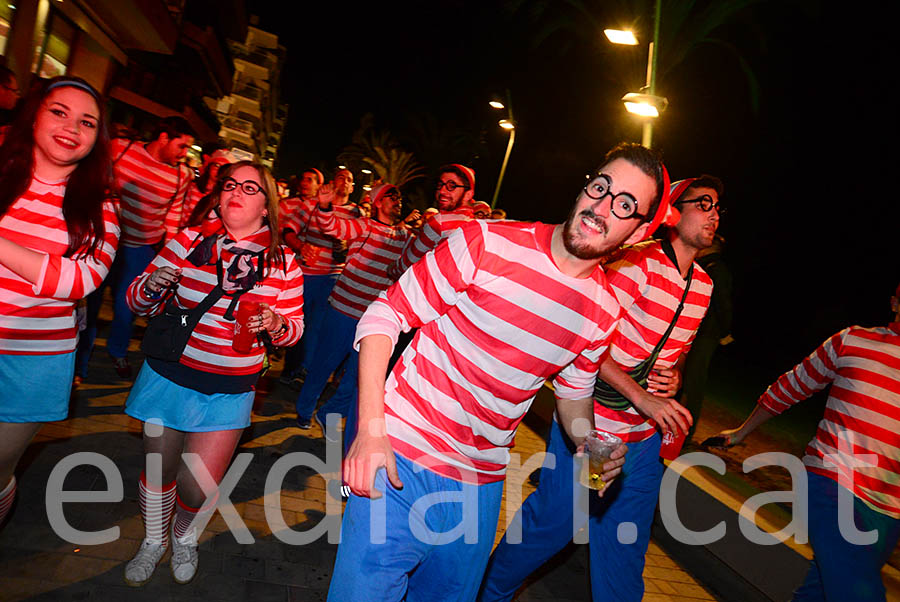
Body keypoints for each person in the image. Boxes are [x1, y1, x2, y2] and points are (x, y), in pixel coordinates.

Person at [329, 143, 688, 602]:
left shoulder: (602, 311)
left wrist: (591, 444)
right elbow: (384, 317)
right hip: (401, 455)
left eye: (624, 205)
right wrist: (371, 430)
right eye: (600, 187)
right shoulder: (486, 242)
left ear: (638, 233)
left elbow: (573, 397)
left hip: (479, 482)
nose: (601, 207)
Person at [479, 176, 722, 602]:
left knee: (626, 543)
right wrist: (642, 396)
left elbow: (676, 352)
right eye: (703, 203)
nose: (714, 213)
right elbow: (590, 344)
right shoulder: (637, 264)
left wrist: (675, 376)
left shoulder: (703, 287)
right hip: (598, 432)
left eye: (718, 206)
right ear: (672, 212)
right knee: (557, 524)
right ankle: (489, 591)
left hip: (643, 440)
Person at [121, 161, 304, 586]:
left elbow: (295, 330)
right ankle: (153, 540)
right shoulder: (189, 240)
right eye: (229, 184)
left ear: (266, 208)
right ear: (219, 194)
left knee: (196, 487)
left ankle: (184, 537)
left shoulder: (283, 262)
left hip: (229, 388)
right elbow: (135, 300)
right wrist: (152, 287)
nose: (236, 192)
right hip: (169, 375)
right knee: (160, 471)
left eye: (250, 188)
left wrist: (278, 325)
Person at [708, 282, 900, 602]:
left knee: (823, 588)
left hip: (888, 504)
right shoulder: (853, 340)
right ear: (895, 303)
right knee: (858, 590)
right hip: (833, 479)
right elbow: (793, 385)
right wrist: (742, 432)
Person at [0, 77, 119, 527]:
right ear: (33, 113)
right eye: (59, 111)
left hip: (35, 360)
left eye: (87, 122)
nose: (72, 127)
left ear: (96, 139)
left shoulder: (101, 206)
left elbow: (78, 280)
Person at [293, 183, 416, 431]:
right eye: (392, 197)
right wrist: (326, 205)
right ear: (378, 202)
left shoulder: (405, 237)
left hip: (375, 321)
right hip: (343, 312)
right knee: (322, 366)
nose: (398, 201)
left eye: (400, 198)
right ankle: (304, 410)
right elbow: (333, 227)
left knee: (359, 378)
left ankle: (328, 414)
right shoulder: (364, 226)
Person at [89, 116, 196, 380]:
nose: (184, 154)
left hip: (141, 249)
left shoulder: (182, 174)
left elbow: (173, 215)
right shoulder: (120, 149)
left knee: (128, 308)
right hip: (103, 242)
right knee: (89, 303)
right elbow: (95, 183)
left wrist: (172, 254)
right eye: (181, 146)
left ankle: (118, 352)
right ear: (163, 138)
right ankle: (80, 363)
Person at [279, 167, 351, 387]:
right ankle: (290, 368)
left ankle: (306, 370)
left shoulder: (355, 213)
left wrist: (347, 246)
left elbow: (358, 243)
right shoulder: (310, 205)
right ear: (331, 182)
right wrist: (301, 246)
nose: (344, 181)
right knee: (297, 321)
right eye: (340, 177)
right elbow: (288, 230)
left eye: (349, 179)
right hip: (305, 273)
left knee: (318, 325)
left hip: (332, 275)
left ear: (352, 187)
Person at [681, 233, 733, 441]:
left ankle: (686, 432)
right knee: (681, 379)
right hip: (693, 331)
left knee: (693, 382)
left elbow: (724, 303)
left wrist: (725, 332)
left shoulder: (716, 269)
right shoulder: (700, 265)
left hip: (706, 335)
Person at [387, 163, 475, 280]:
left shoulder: (439, 222)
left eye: (452, 186)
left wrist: (391, 269)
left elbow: (407, 264)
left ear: (468, 194)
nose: (442, 191)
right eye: (441, 184)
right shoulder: (475, 225)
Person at [182, 148, 235, 225]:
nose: (218, 170)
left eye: (223, 168)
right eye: (216, 165)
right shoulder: (193, 187)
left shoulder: (223, 198)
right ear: (209, 166)